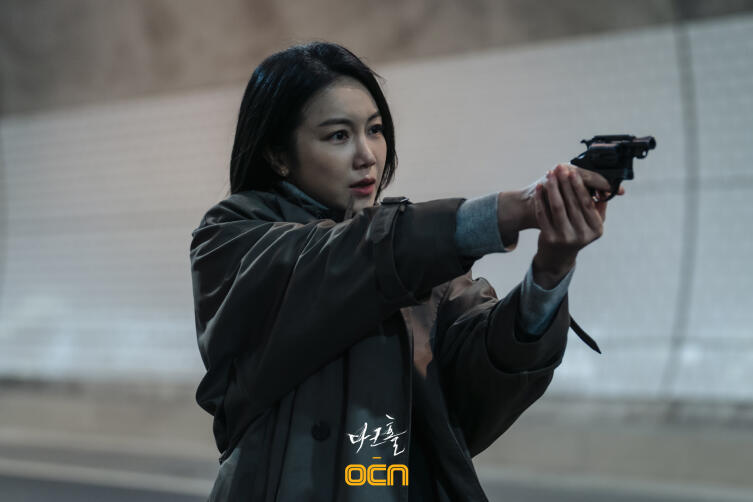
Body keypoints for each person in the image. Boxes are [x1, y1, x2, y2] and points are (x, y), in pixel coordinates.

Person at [189, 41, 624, 501]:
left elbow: (481, 388)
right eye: (338, 136)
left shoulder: (416, 260)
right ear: (278, 155)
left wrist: (550, 270)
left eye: (375, 130)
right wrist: (507, 213)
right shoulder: (231, 238)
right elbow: (334, 262)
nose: (367, 155)